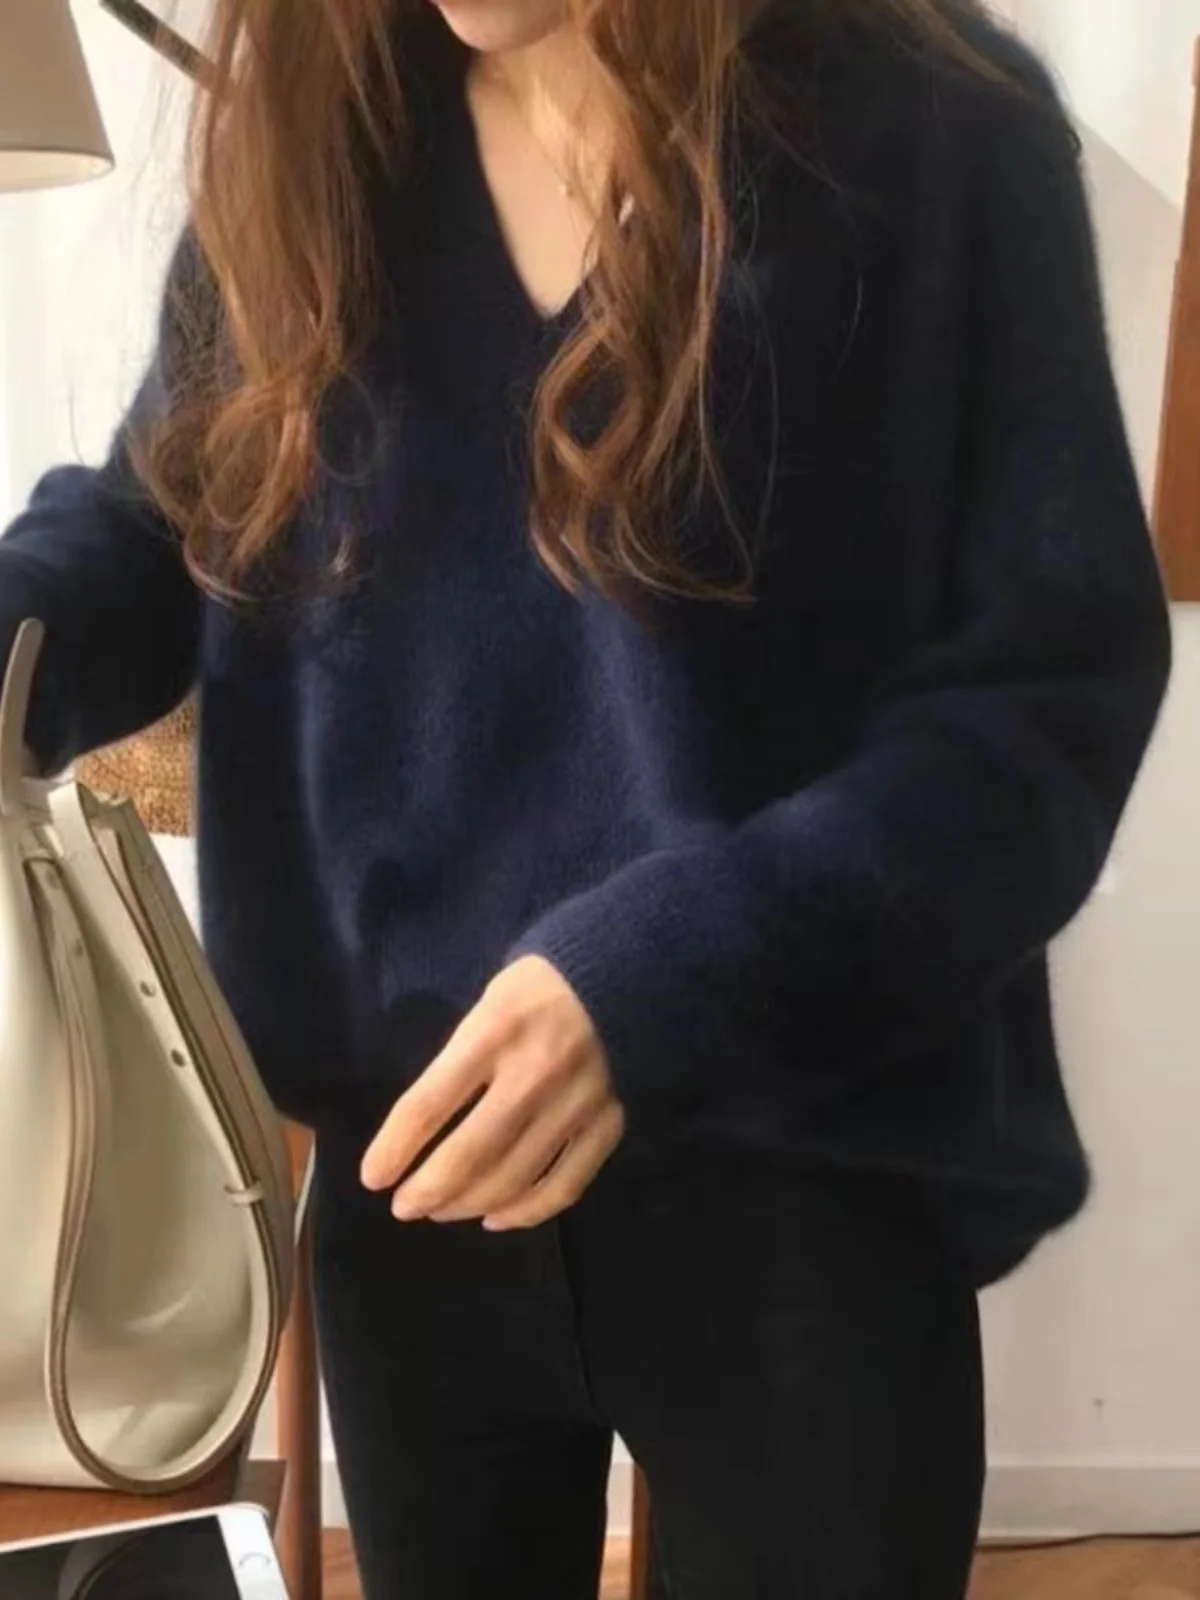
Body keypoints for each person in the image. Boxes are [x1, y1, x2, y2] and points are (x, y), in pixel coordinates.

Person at [0, 0, 1171, 1594]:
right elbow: (165, 510)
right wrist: (21, 636)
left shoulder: (938, 133)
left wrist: (675, 970)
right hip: (418, 1181)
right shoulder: (323, 136)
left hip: (810, 1195)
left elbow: (1047, 696)